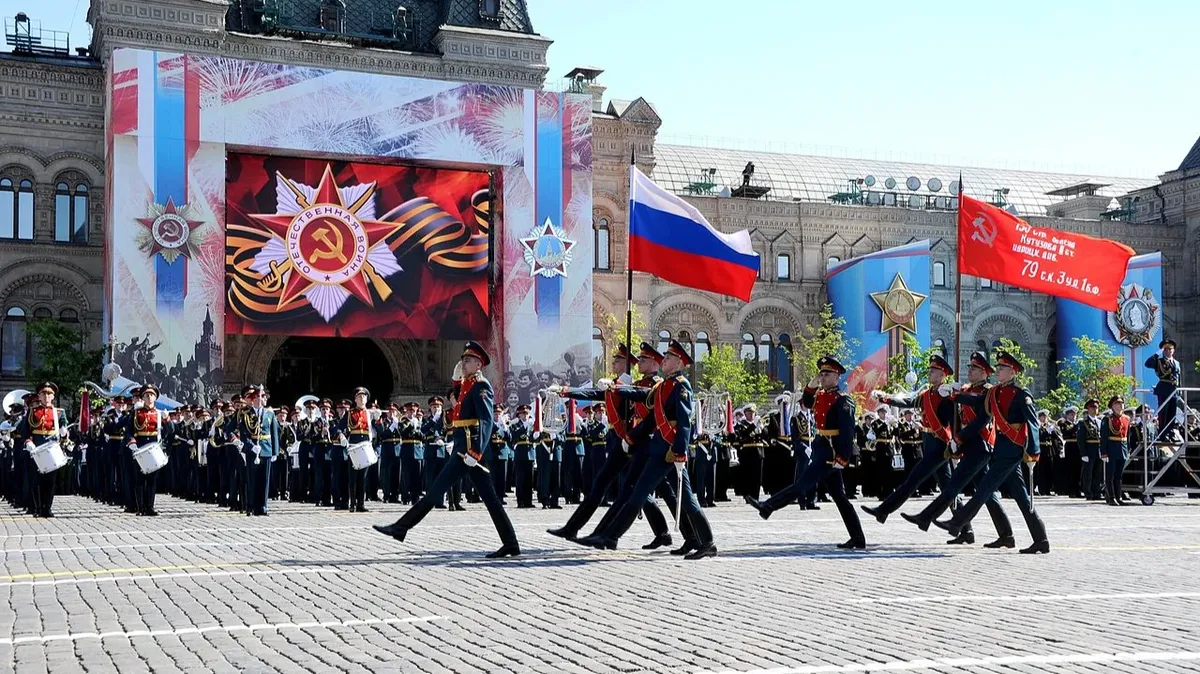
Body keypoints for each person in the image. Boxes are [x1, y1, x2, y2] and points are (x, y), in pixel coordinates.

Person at [374, 341, 520, 558]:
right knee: (488, 499)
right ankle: (511, 543)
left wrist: (476, 452)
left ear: (478, 365)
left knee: (437, 491)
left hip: (468, 451)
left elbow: (486, 421)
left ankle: (401, 527)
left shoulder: (481, 386)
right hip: (462, 448)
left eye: (468, 360)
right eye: (463, 359)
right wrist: (455, 379)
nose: (464, 363)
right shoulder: (468, 384)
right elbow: (459, 401)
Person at [580, 339, 717, 559]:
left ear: (679, 363)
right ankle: (609, 536)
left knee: (685, 497)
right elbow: (645, 404)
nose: (665, 360)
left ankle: (707, 542)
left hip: (671, 449)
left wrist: (679, 451)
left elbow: (684, 422)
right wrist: (616, 389)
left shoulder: (681, 385)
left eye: (669, 357)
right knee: (639, 492)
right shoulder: (662, 386)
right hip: (658, 449)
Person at [545, 344, 673, 550]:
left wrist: (620, 389)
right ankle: (576, 528)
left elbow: (646, 404)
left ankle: (606, 535)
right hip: (623, 440)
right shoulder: (626, 384)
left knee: (637, 491)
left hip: (641, 441)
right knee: (614, 485)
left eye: (618, 360)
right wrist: (565, 391)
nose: (613, 363)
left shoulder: (653, 384)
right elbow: (596, 393)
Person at [933, 351, 1049, 554]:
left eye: (1002, 368)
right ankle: (1037, 539)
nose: (998, 371)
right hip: (1002, 448)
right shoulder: (994, 392)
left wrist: (1034, 451)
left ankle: (957, 522)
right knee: (1021, 497)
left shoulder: (1021, 394)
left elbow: (1032, 423)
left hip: (1013, 449)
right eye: (998, 367)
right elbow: (978, 402)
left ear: (1012, 372)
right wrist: (954, 395)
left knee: (984, 489)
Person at [746, 356, 865, 549]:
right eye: (822, 374)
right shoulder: (822, 395)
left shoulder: (843, 400)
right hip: (821, 447)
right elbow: (807, 402)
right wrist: (811, 384)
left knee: (801, 484)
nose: (823, 377)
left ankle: (767, 506)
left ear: (837, 377)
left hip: (831, 451)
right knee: (840, 497)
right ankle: (858, 537)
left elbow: (847, 431)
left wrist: (843, 457)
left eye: (827, 374)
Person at [899, 352, 1013, 547]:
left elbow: (979, 419)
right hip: (969, 445)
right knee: (986, 493)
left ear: (984, 372)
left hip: (980, 444)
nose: (970, 370)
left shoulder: (987, 391)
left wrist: (958, 435)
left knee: (954, 484)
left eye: (974, 368)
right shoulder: (966, 389)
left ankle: (929, 518)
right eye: (969, 367)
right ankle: (1002, 534)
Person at [863, 355, 965, 537]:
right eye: (930, 370)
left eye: (933, 371)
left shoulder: (947, 395)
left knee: (913, 479)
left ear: (942, 375)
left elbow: (954, 421)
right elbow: (908, 402)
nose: (929, 373)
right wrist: (886, 399)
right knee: (948, 487)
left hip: (940, 444)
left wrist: (956, 442)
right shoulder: (926, 394)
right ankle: (966, 529)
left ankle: (884, 510)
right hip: (929, 440)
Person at [15, 382, 68, 517]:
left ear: (53, 396)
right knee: (36, 480)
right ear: (39, 396)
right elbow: (26, 430)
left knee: (51, 480)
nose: (46, 396)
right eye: (43, 394)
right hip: (37, 448)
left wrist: (64, 433)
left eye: (49, 394)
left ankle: (47, 508)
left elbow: (64, 430)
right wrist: (28, 441)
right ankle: (38, 508)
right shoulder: (33, 411)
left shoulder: (59, 413)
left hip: (52, 447)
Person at [237, 384, 279, 516]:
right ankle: (251, 506)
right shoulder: (246, 415)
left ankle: (263, 506)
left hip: (266, 449)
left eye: (263, 397)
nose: (262, 399)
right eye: (260, 397)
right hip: (253, 450)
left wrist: (275, 452)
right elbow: (244, 435)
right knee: (252, 479)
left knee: (264, 480)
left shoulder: (269, 414)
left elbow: (274, 434)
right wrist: (251, 447)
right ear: (254, 399)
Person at [124, 384, 164, 516]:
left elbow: (169, 431)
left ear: (155, 398)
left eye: (151, 395)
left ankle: (150, 507)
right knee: (139, 479)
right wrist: (131, 442)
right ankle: (140, 507)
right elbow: (129, 430)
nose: (149, 397)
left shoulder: (159, 414)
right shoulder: (136, 413)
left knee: (152, 480)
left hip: (153, 446)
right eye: (146, 395)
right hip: (140, 446)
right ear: (143, 398)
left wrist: (167, 420)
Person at [340, 387, 373, 513]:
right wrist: (341, 436)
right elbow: (339, 427)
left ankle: (361, 504)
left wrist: (378, 421)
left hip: (365, 445)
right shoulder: (350, 413)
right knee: (353, 477)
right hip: (354, 446)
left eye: (364, 397)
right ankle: (352, 503)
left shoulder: (369, 413)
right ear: (355, 399)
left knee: (363, 477)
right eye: (359, 397)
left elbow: (376, 431)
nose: (362, 398)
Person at [1144, 339, 1181, 441]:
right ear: (1163, 350)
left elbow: (1179, 377)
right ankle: (1163, 434)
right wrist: (1157, 353)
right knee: (1163, 412)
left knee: (1172, 412)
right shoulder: (1159, 361)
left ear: (1173, 350)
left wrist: (1179, 391)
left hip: (1174, 390)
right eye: (1166, 349)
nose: (1169, 351)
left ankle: (1170, 432)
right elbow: (1147, 364)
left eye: (1170, 349)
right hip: (1164, 388)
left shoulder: (1176, 363)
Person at [1100, 395, 1131, 506]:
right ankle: (1111, 497)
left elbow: (1128, 436)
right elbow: (1103, 437)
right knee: (1110, 475)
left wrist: (1128, 450)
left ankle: (1119, 497)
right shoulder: (1107, 419)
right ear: (1112, 406)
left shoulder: (1126, 418)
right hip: (1111, 449)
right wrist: (1103, 452)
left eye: (1121, 403)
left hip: (1122, 448)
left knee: (1119, 475)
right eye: (1117, 404)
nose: (1120, 405)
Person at [732, 404, 765, 499]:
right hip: (747, 452)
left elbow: (766, 436)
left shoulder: (758, 423)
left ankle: (756, 496)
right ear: (745, 414)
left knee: (757, 476)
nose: (751, 415)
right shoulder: (741, 425)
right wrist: (753, 426)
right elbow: (742, 437)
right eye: (749, 413)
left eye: (752, 413)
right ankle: (748, 495)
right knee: (747, 475)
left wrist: (762, 429)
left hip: (758, 452)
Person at [1077, 398, 1104, 500]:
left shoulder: (1100, 422)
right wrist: (1083, 453)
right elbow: (1080, 439)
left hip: (1098, 450)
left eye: (1096, 407)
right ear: (1088, 409)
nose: (1095, 409)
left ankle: (1096, 492)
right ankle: (1088, 492)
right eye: (1092, 407)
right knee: (1088, 473)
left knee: (1098, 472)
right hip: (1089, 449)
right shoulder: (1083, 422)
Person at [510, 404, 536, 508]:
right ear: (519, 415)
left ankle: (528, 501)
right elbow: (514, 435)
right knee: (520, 479)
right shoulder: (515, 425)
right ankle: (520, 501)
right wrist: (524, 427)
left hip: (530, 453)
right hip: (520, 453)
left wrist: (536, 433)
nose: (525, 415)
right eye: (523, 414)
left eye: (526, 413)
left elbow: (535, 438)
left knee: (529, 479)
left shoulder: (532, 424)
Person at [1057, 406, 1080, 497]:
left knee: (1078, 469)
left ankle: (1077, 490)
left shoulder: (1077, 424)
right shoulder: (1064, 423)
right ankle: (1071, 491)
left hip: (1077, 446)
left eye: (1075, 414)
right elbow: (1066, 433)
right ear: (1067, 415)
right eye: (1071, 414)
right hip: (1070, 446)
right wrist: (1076, 426)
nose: (1073, 416)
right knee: (1070, 469)